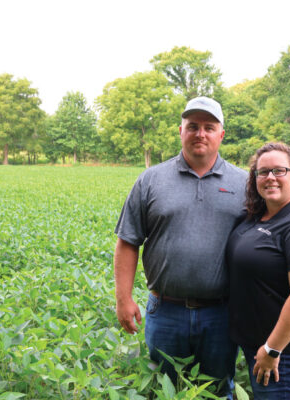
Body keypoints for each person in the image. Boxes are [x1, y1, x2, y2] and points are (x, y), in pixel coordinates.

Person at [114, 96, 247, 398]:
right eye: (193, 126)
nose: (201, 133)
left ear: (221, 135)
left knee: (216, 390)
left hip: (222, 313)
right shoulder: (150, 180)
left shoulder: (245, 184)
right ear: (180, 131)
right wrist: (123, 299)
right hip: (166, 311)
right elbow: (127, 241)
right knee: (164, 390)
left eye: (209, 127)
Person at [226, 142, 290, 399]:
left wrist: (272, 349)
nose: (270, 177)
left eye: (279, 171)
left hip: (285, 352)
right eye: (262, 172)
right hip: (255, 343)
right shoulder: (256, 216)